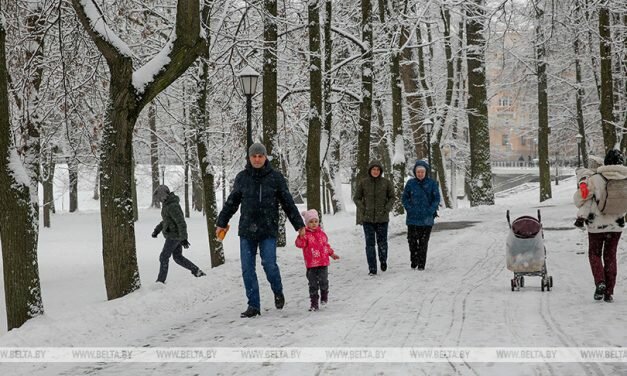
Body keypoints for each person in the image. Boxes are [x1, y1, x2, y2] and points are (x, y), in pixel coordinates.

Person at [216, 143, 306, 318]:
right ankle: (253, 305)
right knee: (247, 268)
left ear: (265, 157)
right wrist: (221, 222)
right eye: (254, 156)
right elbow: (232, 202)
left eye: (260, 156)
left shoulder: (276, 178)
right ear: (249, 158)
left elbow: (287, 202)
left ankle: (277, 290)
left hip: (268, 229)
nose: (257, 159)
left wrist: (299, 225)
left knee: (269, 264)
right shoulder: (242, 178)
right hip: (247, 231)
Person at [573, 149, 627, 302]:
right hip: (616, 225)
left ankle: (600, 282)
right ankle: (609, 292)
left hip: (596, 225)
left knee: (594, 254)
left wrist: (581, 189)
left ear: (606, 162)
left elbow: (580, 199)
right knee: (611, 256)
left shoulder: (596, 178)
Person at [152, 185, 206, 283]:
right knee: (178, 257)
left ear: (164, 195)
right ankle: (197, 271)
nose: (159, 200)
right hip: (174, 235)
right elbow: (166, 221)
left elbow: (181, 222)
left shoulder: (172, 206)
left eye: (160, 197)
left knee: (164, 257)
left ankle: (160, 281)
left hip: (174, 236)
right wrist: (157, 230)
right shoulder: (167, 204)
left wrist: (184, 238)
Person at [353, 160, 395, 275]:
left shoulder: (386, 183)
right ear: (370, 170)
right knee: (370, 244)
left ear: (380, 171)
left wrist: (386, 209)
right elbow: (356, 198)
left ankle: (383, 260)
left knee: (382, 242)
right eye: (373, 169)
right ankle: (372, 268)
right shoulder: (363, 183)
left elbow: (392, 197)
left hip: (382, 219)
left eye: (377, 169)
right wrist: (363, 209)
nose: (375, 171)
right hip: (368, 219)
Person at [295, 209, 340, 311]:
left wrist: (331, 254)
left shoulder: (322, 234)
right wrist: (300, 236)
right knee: (313, 284)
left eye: (316, 221)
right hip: (311, 265)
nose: (314, 224)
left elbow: (326, 246)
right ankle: (314, 303)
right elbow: (299, 244)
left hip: (323, 263)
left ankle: (324, 295)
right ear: (307, 223)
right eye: (311, 222)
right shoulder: (305, 235)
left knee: (324, 281)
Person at [402, 160, 440, 270]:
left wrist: (430, 210)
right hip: (412, 218)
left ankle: (421, 264)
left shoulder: (432, 183)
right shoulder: (410, 183)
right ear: (415, 172)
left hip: (426, 219)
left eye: (422, 172)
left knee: (423, 242)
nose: (420, 174)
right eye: (418, 172)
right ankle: (414, 260)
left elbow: (436, 199)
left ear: (426, 172)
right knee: (412, 241)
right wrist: (409, 208)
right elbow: (405, 198)